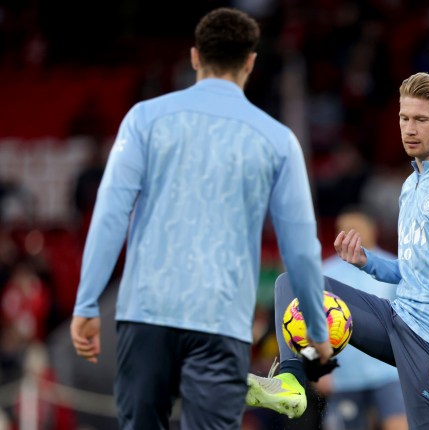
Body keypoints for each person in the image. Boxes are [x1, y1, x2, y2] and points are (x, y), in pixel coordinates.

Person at [69, 8, 332, 430]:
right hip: (221, 320)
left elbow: (110, 212)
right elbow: (300, 248)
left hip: (145, 314)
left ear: (194, 57)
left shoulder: (143, 119)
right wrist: (316, 329)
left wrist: (86, 302)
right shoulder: (278, 140)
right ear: (250, 62)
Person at [247, 72, 429, 429]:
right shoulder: (412, 184)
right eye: (403, 118)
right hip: (399, 320)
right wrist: (368, 263)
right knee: (293, 284)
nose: (409, 129)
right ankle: (292, 382)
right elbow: (417, 270)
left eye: (420, 120)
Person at [317, 206, 407, 430]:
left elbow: (408, 321)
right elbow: (310, 323)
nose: (352, 234)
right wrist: (316, 368)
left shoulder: (393, 269)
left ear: (372, 231)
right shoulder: (324, 273)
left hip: (388, 371)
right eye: (346, 229)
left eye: (357, 228)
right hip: (344, 375)